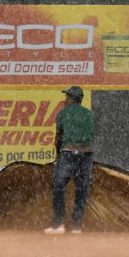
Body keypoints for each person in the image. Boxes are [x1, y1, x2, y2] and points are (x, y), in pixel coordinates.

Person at [44, 86, 95, 235]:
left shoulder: (63, 113)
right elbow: (90, 135)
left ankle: (58, 223)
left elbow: (58, 137)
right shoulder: (90, 114)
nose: (65, 99)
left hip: (68, 153)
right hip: (87, 154)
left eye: (67, 97)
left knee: (58, 186)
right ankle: (76, 226)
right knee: (81, 189)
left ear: (71, 99)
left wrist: (58, 155)